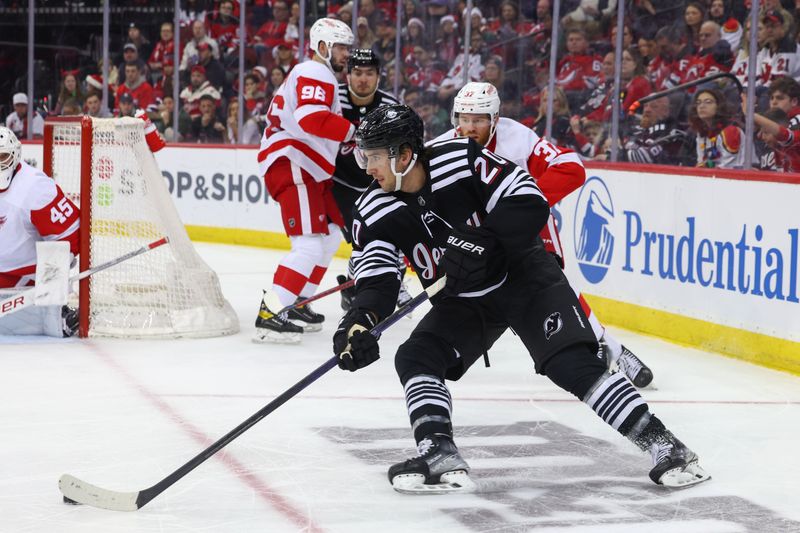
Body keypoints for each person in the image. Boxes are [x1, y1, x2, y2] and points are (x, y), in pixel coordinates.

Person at [334, 104, 709, 493]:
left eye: (374, 156)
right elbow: (377, 278)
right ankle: (438, 452)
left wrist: (486, 241)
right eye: (364, 155)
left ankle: (667, 446)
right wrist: (359, 320)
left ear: (405, 155)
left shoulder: (461, 159)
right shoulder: (371, 207)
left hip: (523, 276)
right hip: (464, 300)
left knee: (572, 365)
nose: (367, 167)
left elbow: (529, 198)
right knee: (415, 356)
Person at [430, 82, 654, 387]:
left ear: (495, 118)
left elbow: (571, 168)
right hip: (482, 235)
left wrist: (522, 204)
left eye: (479, 119)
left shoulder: (518, 138)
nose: (470, 127)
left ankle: (611, 347)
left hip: (525, 227)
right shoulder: (442, 148)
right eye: (464, 119)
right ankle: (593, 345)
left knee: (553, 286)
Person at [254, 18, 356, 343]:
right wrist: (357, 132)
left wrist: (350, 138)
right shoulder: (316, 72)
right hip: (293, 160)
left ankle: (298, 299)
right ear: (323, 46)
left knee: (329, 236)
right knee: (309, 243)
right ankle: (272, 309)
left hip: (307, 165)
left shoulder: (314, 73)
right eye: (341, 47)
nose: (345, 54)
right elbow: (311, 118)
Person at [329, 49, 407, 312]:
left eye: (369, 73)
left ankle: (360, 283)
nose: (363, 79)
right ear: (347, 74)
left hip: (377, 182)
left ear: (378, 76)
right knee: (360, 235)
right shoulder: (333, 98)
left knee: (394, 230)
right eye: (358, 72)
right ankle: (358, 284)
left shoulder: (390, 105)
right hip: (338, 183)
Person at [0, 126, 80, 337]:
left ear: (15, 155)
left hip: (23, 274)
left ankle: (54, 314)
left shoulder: (34, 187)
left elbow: (71, 237)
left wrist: (52, 283)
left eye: (2, 156)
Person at [689, 87, 744, 168]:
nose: (701, 106)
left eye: (708, 102)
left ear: (719, 106)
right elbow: (701, 163)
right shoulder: (702, 133)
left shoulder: (730, 131)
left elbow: (729, 166)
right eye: (698, 103)